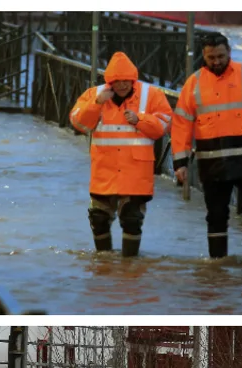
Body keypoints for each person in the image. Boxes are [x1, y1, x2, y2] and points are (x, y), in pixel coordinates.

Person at [170, 33, 242, 259]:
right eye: (211, 57)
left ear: (229, 52)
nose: (216, 61)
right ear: (203, 55)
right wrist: (180, 162)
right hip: (212, 163)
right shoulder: (194, 83)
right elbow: (181, 124)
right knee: (216, 215)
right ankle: (217, 267)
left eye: (220, 56)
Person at [69, 51, 173, 257]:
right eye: (118, 81)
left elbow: (164, 125)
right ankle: (103, 264)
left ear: (133, 79)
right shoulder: (94, 94)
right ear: (109, 82)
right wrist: (96, 104)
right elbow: (79, 123)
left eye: (127, 81)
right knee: (98, 218)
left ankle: (129, 266)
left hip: (136, 172)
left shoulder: (151, 95)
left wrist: (140, 120)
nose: (123, 85)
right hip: (104, 171)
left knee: (132, 219)